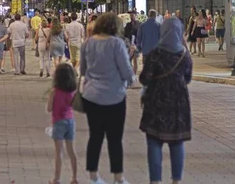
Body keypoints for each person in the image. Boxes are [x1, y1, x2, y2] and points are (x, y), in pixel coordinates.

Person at [81, 13, 134, 184]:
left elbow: (82, 70)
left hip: (91, 96)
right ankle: (118, 177)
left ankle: (93, 176)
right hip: (115, 97)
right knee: (115, 138)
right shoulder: (116, 44)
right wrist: (129, 80)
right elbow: (127, 71)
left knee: (95, 136)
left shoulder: (87, 43)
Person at [140, 17, 193, 184]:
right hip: (179, 102)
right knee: (177, 141)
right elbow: (188, 77)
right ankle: (176, 180)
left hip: (156, 100)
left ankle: (155, 180)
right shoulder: (184, 55)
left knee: (154, 141)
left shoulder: (154, 54)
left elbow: (144, 79)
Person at [46, 63, 79, 184]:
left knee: (58, 151)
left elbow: (49, 108)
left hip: (58, 122)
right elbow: (73, 105)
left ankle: (56, 178)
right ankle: (74, 177)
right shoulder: (72, 92)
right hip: (70, 121)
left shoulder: (54, 91)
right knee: (71, 150)